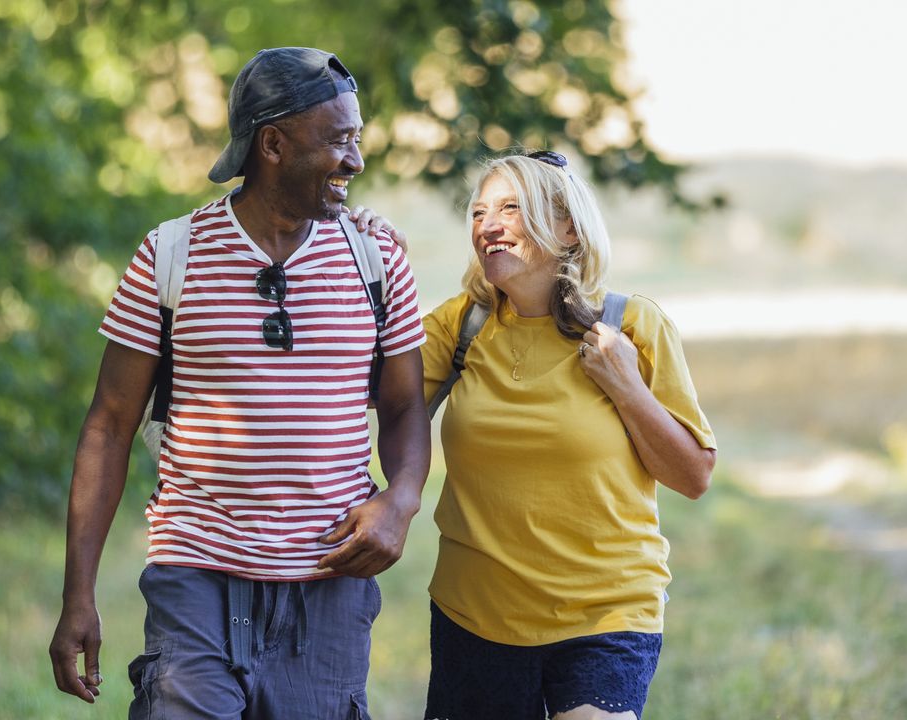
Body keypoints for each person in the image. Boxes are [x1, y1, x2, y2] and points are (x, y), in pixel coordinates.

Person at [47, 47, 430, 719]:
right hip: (197, 577)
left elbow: (404, 409)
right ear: (273, 144)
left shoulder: (378, 261)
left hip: (330, 585)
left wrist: (400, 501)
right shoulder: (170, 256)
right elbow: (107, 427)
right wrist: (78, 596)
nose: (356, 161)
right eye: (338, 141)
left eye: (357, 139)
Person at [419, 152, 717, 720]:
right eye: (479, 213)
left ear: (568, 229)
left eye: (511, 208)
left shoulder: (632, 325)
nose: (488, 225)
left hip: (605, 611)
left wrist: (626, 385)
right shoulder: (459, 325)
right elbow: (355, 387)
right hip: (474, 614)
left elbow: (693, 476)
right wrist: (349, 251)